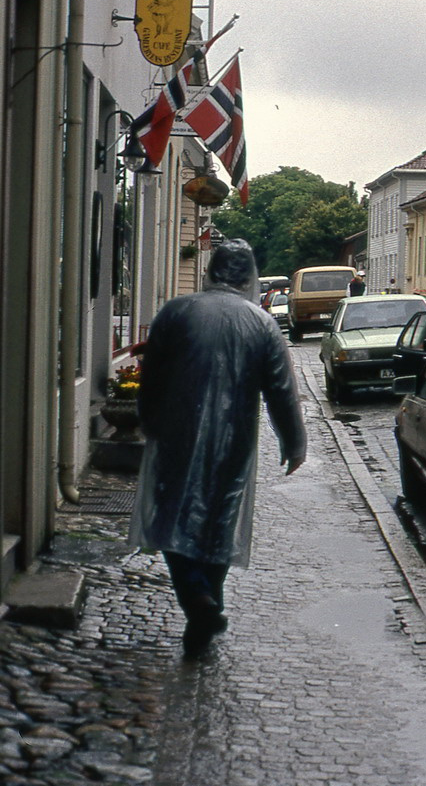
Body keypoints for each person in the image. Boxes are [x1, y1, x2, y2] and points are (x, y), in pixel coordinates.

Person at [129, 239, 306, 659]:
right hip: (234, 439)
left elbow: (151, 373)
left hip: (176, 433)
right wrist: (293, 443)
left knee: (168, 514)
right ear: (249, 276)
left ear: (211, 270)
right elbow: (281, 390)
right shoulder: (261, 324)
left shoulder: (177, 312)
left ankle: (197, 598)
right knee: (219, 521)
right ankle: (207, 605)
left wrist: (148, 419)